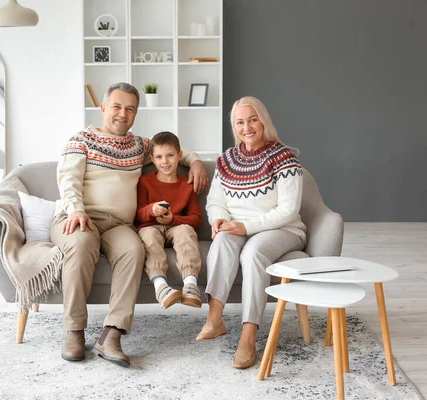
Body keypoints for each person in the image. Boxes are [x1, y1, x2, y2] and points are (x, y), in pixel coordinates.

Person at [50, 82, 209, 368]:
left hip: (119, 225)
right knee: (82, 243)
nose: (123, 114)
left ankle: (112, 334)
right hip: (79, 217)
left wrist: (196, 162)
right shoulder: (81, 139)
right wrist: (76, 209)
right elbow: (68, 179)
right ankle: (74, 331)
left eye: (130, 109)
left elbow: (174, 150)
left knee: (134, 250)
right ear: (103, 108)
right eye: (117, 107)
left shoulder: (139, 145)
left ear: (135, 114)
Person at [197, 96, 306, 370]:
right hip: (238, 226)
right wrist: (219, 219)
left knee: (254, 253)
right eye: (240, 122)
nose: (247, 127)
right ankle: (215, 319)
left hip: (282, 228)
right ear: (234, 127)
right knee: (221, 240)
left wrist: (246, 226)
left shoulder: (283, 158)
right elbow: (216, 201)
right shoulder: (227, 160)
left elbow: (289, 210)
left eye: (252, 119)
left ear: (263, 121)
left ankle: (249, 336)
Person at [135, 131, 203, 310]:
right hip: (150, 226)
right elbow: (138, 214)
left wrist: (174, 219)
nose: (165, 161)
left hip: (176, 225)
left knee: (186, 231)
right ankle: (161, 287)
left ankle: (190, 285)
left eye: (170, 155)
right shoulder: (144, 182)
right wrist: (151, 210)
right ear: (152, 159)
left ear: (180, 156)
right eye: (159, 157)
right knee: (148, 236)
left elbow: (196, 219)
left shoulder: (186, 186)